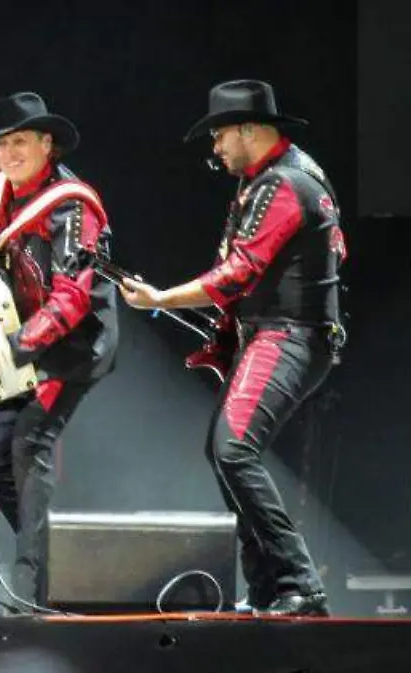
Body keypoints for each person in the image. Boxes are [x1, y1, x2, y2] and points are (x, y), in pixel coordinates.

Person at [119, 80, 345, 617]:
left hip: (289, 334)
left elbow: (238, 274)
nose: (215, 147)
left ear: (248, 129)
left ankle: (301, 583)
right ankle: (267, 585)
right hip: (277, 332)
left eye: (219, 134)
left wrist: (161, 298)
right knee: (223, 450)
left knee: (234, 449)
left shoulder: (285, 184)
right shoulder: (278, 177)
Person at [0, 92, 119, 608]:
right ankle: (58, 561)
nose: (9, 154)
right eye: (1, 144)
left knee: (29, 446)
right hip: (22, 342)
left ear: (46, 144)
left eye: (20, 142)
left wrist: (12, 349)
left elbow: (72, 298)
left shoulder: (72, 205)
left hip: (73, 345)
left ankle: (33, 593)